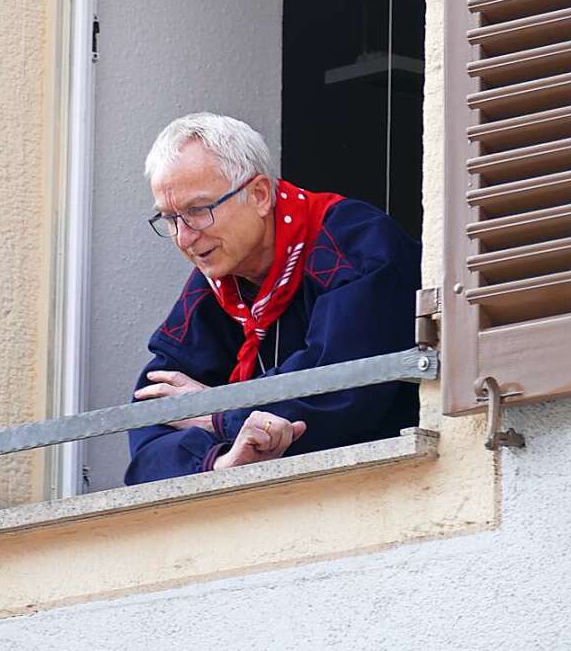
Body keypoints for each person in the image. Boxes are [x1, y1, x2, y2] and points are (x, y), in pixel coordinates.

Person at [125, 112, 420, 485]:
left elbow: (342, 392)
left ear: (259, 195)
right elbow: (150, 426)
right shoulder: (214, 282)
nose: (184, 238)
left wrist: (216, 414)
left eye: (197, 211)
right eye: (170, 219)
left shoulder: (355, 243)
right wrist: (220, 463)